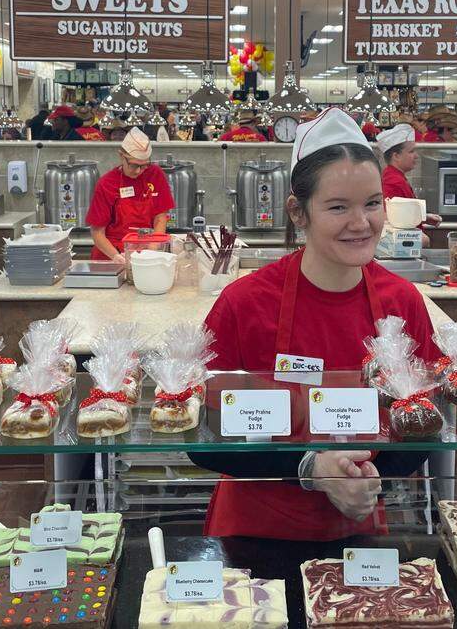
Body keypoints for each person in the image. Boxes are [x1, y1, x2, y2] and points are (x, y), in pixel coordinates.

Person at [188, 108, 439, 539]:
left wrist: (368, 480)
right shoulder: (244, 303)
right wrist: (310, 468)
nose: (362, 224)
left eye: (373, 204)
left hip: (358, 526)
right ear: (298, 212)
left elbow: (427, 427)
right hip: (253, 529)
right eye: (338, 207)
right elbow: (204, 437)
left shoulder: (402, 302)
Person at [85, 127, 174, 263]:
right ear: (121, 156)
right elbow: (97, 232)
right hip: (111, 255)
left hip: (147, 248)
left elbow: (160, 217)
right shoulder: (107, 183)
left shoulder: (156, 175)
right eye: (134, 165)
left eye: (144, 165)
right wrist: (116, 257)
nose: (139, 171)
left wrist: (151, 252)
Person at [376, 124, 442, 246]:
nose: (416, 156)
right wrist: (421, 239)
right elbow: (390, 218)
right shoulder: (392, 181)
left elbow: (400, 212)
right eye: (411, 151)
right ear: (396, 156)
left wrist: (423, 216)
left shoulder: (396, 177)